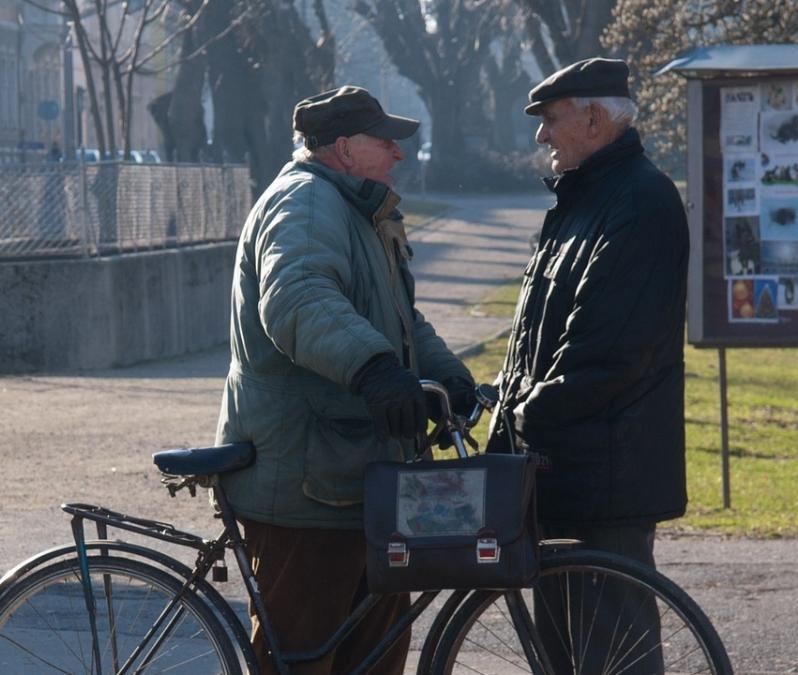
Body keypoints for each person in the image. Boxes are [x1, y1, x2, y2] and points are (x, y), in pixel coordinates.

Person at [215, 85, 475, 674]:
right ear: (343, 148)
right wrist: (377, 371)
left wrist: (448, 378)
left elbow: (400, 319)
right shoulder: (306, 204)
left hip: (358, 476)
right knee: (304, 659)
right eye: (385, 141)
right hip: (307, 483)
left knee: (374, 656)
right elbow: (298, 301)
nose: (398, 154)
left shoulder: (358, 209)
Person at [489, 57, 689, 672]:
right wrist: (500, 398)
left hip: (606, 481)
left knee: (610, 661)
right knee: (566, 658)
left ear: (596, 119)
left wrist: (523, 412)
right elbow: (540, 339)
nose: (541, 136)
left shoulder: (640, 203)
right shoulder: (583, 202)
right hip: (563, 474)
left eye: (551, 120)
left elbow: (610, 352)